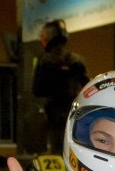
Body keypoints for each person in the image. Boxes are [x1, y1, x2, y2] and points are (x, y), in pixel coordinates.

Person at [31, 20, 88, 154]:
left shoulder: (43, 60)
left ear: (48, 38)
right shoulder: (76, 60)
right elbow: (87, 86)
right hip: (73, 113)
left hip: (53, 115)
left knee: (55, 150)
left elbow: (37, 90)